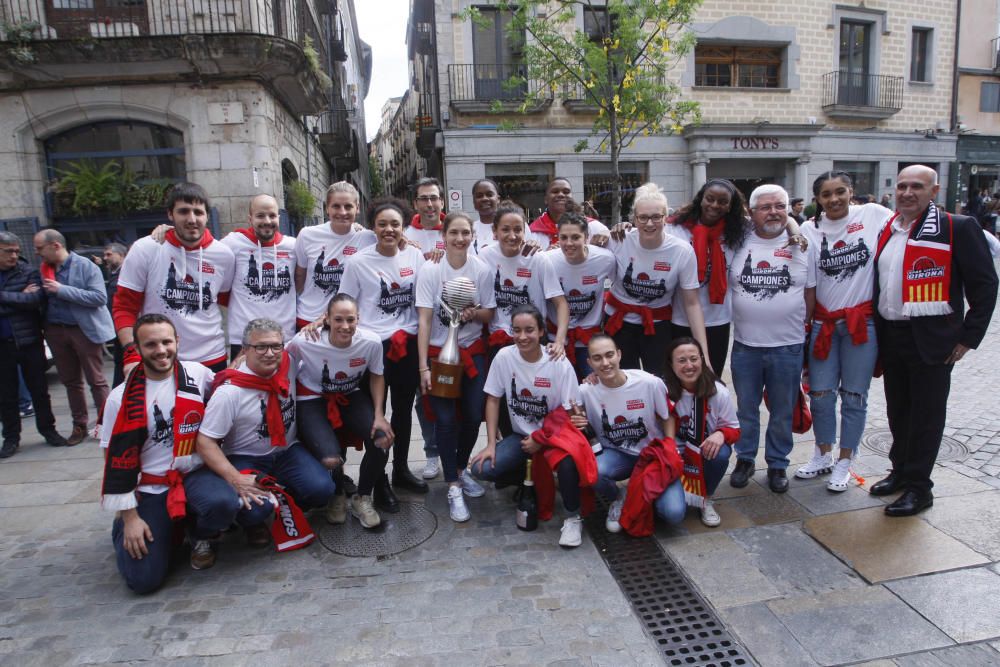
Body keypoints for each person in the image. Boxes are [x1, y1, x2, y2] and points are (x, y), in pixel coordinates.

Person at [871, 165, 997, 515]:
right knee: (899, 412)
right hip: (893, 336)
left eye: (917, 187)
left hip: (931, 339)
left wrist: (968, 338)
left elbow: (985, 285)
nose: (907, 192)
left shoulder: (958, 227)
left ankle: (919, 487)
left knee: (926, 416)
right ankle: (899, 472)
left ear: (934, 191)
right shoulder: (889, 228)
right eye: (902, 186)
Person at [184, 318, 335, 568]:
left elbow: (328, 327)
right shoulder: (229, 392)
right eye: (260, 347)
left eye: (276, 346)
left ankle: (274, 499)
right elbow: (205, 441)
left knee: (322, 490)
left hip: (286, 451)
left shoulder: (288, 364)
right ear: (244, 350)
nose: (270, 353)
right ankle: (251, 521)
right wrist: (234, 478)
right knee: (257, 510)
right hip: (246, 458)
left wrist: (323, 319)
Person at [99, 314, 213, 593]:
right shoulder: (119, 398)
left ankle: (198, 532)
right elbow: (113, 462)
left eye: (166, 341)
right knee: (143, 581)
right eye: (151, 344)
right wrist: (129, 518)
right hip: (152, 488)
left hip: (193, 476)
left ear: (177, 341)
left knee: (222, 503)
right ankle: (127, 530)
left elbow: (228, 388)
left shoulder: (198, 374)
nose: (161, 350)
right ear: (136, 349)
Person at [796, 172, 886, 491]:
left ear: (851, 192)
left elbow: (908, 225)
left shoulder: (873, 215)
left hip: (863, 324)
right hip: (824, 325)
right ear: (817, 199)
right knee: (819, 395)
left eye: (840, 192)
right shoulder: (809, 228)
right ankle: (823, 454)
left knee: (854, 396)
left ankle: (846, 460)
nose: (834, 199)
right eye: (826, 194)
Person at [470, 305, 588, 547]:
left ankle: (572, 517)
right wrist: (491, 444)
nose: (522, 337)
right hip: (522, 438)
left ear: (542, 331)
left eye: (529, 330)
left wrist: (541, 439)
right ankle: (529, 482)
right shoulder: (504, 357)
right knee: (481, 469)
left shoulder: (558, 362)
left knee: (567, 463)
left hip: (553, 436)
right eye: (517, 330)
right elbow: (493, 399)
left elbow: (569, 413)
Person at [728, 184, 816, 494]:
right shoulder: (737, 241)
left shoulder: (803, 242)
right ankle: (746, 458)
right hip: (746, 346)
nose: (774, 212)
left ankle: (778, 463)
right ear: (751, 212)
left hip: (788, 345)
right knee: (746, 408)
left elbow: (810, 292)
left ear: (789, 208)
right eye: (765, 207)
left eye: (780, 205)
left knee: (781, 410)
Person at [338, 200, 428, 497]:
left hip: (407, 345)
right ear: (373, 228)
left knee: (403, 411)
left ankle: (401, 470)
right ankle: (378, 482)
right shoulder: (358, 262)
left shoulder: (415, 257)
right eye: (382, 224)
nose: (389, 229)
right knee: (375, 414)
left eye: (395, 224)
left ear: (404, 227)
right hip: (371, 346)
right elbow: (346, 303)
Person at [416, 211, 496, 522]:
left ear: (473, 235)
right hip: (439, 354)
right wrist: (423, 367)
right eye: (454, 233)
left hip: (472, 352)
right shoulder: (430, 269)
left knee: (474, 414)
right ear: (444, 236)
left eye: (465, 233)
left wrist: (473, 314)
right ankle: (452, 485)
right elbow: (424, 319)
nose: (460, 238)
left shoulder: (482, 270)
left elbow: (489, 313)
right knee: (446, 420)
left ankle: (461, 470)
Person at [287, 294, 393, 528]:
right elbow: (280, 362)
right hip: (312, 397)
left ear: (358, 319)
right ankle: (337, 493)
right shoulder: (305, 340)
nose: (345, 327)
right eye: (338, 320)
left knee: (383, 441)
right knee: (330, 459)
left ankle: (362, 497)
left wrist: (379, 415)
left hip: (350, 394)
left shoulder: (371, 342)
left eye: (350, 320)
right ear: (326, 319)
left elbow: (377, 376)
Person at [113, 182, 236, 372]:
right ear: (170, 214)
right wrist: (131, 353)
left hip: (211, 358)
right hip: (159, 358)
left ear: (207, 216)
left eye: (198, 212)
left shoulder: (224, 255)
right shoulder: (147, 248)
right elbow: (124, 306)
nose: (192, 219)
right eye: (183, 211)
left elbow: (228, 299)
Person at [574, 335, 678, 529]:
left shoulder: (649, 383)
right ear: (589, 363)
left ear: (619, 355)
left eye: (609, 355)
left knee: (672, 514)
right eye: (597, 358)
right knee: (594, 472)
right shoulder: (585, 391)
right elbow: (572, 418)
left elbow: (668, 416)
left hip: (651, 456)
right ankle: (619, 497)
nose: (605, 363)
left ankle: (645, 493)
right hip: (617, 455)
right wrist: (578, 420)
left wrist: (669, 446)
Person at [605, 182, 707, 376]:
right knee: (623, 380)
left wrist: (704, 355)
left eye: (656, 217)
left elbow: (692, 304)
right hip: (619, 322)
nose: (649, 223)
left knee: (660, 381)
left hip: (657, 324)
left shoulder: (681, 250)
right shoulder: (618, 240)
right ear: (634, 218)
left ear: (666, 217)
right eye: (643, 217)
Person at [34, 229, 115, 445]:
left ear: (55, 246)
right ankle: (79, 424)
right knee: (70, 382)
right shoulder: (43, 270)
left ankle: (106, 424)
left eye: (40, 248)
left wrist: (62, 290)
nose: (37, 253)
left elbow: (99, 297)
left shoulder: (86, 266)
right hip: (55, 330)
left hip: (83, 330)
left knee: (96, 380)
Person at [666, 179, 748, 375]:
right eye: (710, 199)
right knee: (681, 379)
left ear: (731, 206)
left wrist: (794, 228)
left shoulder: (738, 230)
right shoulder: (676, 228)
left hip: (718, 320)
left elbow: (777, 219)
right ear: (700, 199)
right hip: (680, 319)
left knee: (711, 377)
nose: (714, 206)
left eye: (722, 201)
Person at [0, 232, 68, 457]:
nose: (14, 255)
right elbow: (22, 300)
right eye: (8, 251)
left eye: (17, 251)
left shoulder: (28, 271)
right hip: (3, 345)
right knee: (6, 394)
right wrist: (15, 297)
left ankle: (49, 430)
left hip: (29, 341)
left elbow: (34, 301)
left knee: (39, 390)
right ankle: (11, 438)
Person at [663, 337, 739, 526]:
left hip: (701, 452)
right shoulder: (660, 389)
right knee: (672, 514)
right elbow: (626, 380)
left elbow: (734, 428)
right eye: (681, 361)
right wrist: (595, 377)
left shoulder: (718, 391)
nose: (689, 365)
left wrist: (721, 433)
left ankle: (706, 498)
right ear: (671, 365)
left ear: (702, 360)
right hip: (672, 455)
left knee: (721, 453)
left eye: (694, 359)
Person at [479, 202, 569, 357]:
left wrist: (559, 342)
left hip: (534, 339)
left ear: (525, 230)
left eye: (518, 230)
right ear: (495, 231)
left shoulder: (538, 259)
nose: (512, 236)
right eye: (505, 229)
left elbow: (561, 304)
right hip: (500, 341)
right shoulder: (485, 256)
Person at [221, 194, 297, 361]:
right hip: (244, 338)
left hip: (284, 337)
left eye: (271, 215)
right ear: (250, 219)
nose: (267, 221)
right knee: (244, 387)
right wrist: (169, 231)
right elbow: (203, 251)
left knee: (285, 387)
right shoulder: (234, 243)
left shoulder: (293, 246)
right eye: (260, 215)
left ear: (278, 217)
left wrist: (353, 230)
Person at [294, 181, 376, 329]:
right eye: (336, 206)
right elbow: (300, 276)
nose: (342, 212)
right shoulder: (307, 235)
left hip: (349, 323)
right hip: (310, 318)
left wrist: (404, 240)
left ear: (357, 208)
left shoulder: (369, 238)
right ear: (327, 208)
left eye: (348, 206)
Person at [547, 211, 618, 379]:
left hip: (589, 338)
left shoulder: (605, 259)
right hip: (556, 338)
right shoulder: (547, 260)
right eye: (563, 237)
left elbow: (618, 287)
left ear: (586, 237)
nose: (569, 243)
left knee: (594, 388)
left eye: (575, 237)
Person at [529, 178, 609, 249]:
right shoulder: (532, 233)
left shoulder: (592, 226)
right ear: (546, 199)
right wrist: (547, 256)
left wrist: (608, 233)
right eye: (555, 191)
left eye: (566, 192)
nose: (561, 194)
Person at [103, 242, 127, 386]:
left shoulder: (127, 274)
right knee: (119, 362)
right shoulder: (113, 273)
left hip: (126, 326)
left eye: (109, 254)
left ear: (121, 255)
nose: (105, 258)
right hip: (117, 325)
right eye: (104, 255)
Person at [407, 177, 447, 259]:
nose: (429, 204)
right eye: (423, 199)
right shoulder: (405, 235)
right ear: (415, 204)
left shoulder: (455, 232)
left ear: (442, 203)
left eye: (433, 198)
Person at [471, 178, 501, 253]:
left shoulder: (515, 227)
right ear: (474, 202)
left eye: (489, 195)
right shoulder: (469, 230)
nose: (484, 199)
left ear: (498, 199)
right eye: (479, 196)